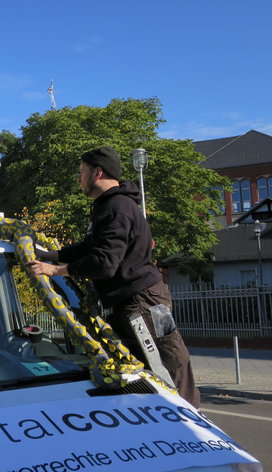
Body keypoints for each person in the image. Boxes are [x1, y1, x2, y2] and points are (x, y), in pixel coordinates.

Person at [27, 146, 200, 408]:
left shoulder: (116, 208)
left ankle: (188, 419)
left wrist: (57, 270)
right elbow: (90, 247)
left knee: (166, 367)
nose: (78, 178)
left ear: (97, 173)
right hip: (141, 299)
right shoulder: (109, 205)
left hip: (142, 303)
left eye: (81, 172)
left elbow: (104, 264)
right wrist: (51, 255)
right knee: (151, 367)